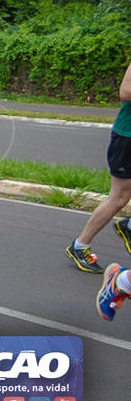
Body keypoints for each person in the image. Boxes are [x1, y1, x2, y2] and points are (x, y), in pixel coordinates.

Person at [67, 61, 131, 274]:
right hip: (127, 136)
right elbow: (125, 92)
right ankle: (80, 246)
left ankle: (128, 226)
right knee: (119, 197)